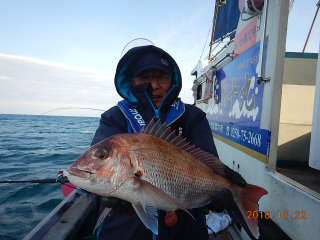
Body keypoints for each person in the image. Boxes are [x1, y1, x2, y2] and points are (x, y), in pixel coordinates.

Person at [91, 45, 246, 240]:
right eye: (145, 77)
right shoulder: (115, 117)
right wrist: (110, 195)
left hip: (185, 229)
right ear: (132, 81)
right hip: (125, 229)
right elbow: (98, 165)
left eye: (162, 77)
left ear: (172, 81)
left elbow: (207, 162)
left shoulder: (192, 116)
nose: (154, 85)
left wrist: (220, 185)